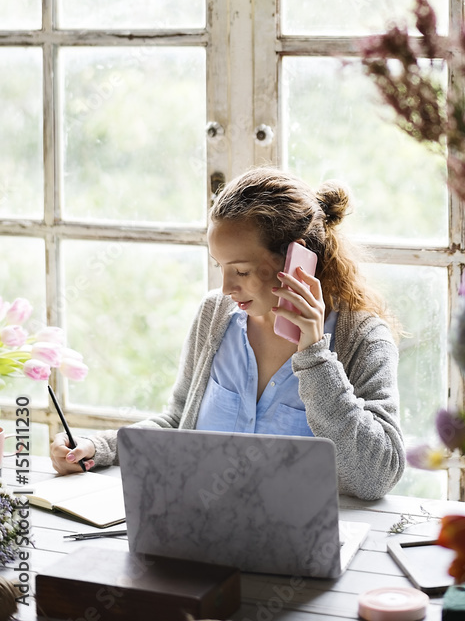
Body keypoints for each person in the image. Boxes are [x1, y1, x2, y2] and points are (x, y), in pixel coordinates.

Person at [50, 167, 405, 500]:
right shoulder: (215, 315)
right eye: (220, 267)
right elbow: (178, 423)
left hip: (302, 546)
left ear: (298, 261)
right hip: (202, 528)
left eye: (242, 271)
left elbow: (376, 477)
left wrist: (314, 356)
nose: (226, 288)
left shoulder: (363, 338)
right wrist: (100, 447)